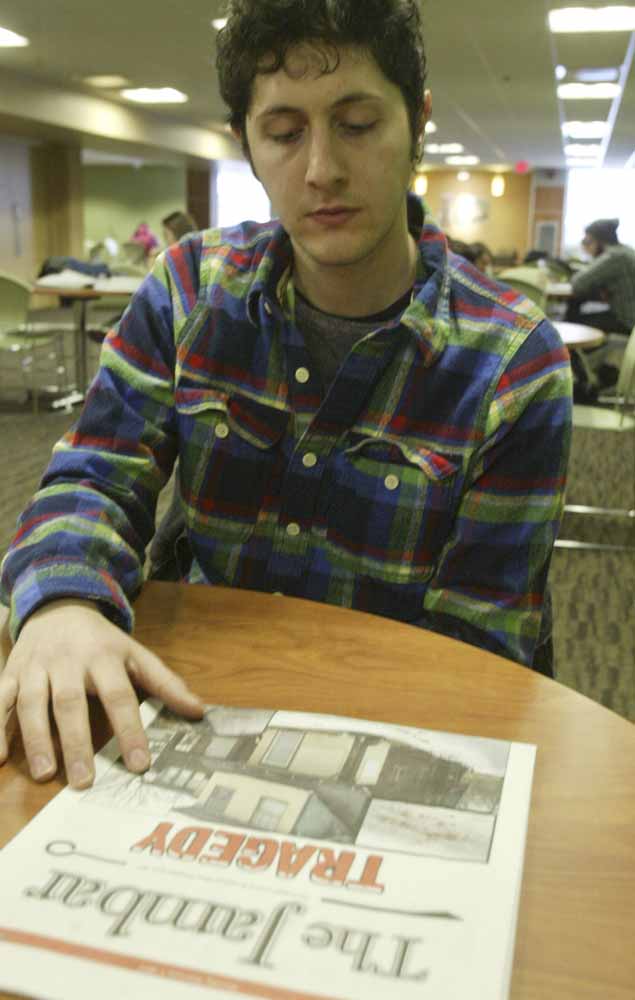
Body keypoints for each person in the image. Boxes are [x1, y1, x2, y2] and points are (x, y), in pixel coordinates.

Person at [0, 0, 572, 790]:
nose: (321, 171)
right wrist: (64, 602)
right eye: (282, 133)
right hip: (178, 705)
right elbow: (95, 472)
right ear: (247, 142)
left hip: (380, 732)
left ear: (417, 124)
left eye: (358, 123)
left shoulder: (513, 362)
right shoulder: (189, 288)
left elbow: (477, 645)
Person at [566, 218, 635, 335]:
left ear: (599, 241)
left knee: (573, 324)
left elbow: (577, 284)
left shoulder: (613, 257)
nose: (587, 245)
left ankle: (575, 351)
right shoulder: (626, 251)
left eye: (590, 242)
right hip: (629, 316)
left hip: (626, 321)